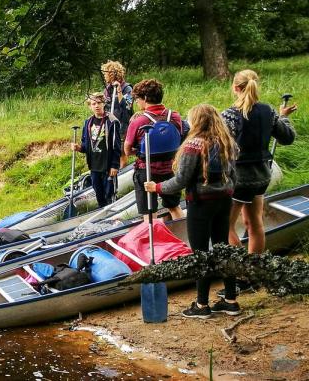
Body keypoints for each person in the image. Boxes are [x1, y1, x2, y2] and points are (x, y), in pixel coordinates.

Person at [145, 104, 240, 318]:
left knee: (200, 253)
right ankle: (231, 301)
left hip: (201, 203)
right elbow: (234, 176)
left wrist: (156, 187)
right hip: (224, 200)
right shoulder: (227, 142)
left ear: (196, 121)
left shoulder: (193, 145)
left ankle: (201, 305)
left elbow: (181, 180)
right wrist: (227, 191)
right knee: (223, 247)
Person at [220, 69, 296, 295]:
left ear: (235, 87)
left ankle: (242, 275)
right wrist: (282, 116)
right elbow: (287, 138)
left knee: (225, 226)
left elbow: (222, 148)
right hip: (262, 175)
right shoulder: (269, 112)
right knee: (254, 224)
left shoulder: (229, 115)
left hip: (239, 177)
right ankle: (253, 275)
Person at [124, 78, 184, 221]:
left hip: (146, 172)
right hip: (171, 170)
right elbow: (178, 139)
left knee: (149, 213)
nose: (137, 102)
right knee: (174, 206)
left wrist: (138, 152)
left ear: (145, 98)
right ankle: (183, 236)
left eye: (137, 99)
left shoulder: (139, 121)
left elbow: (127, 149)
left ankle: (154, 241)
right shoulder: (175, 116)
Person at [70, 92, 121, 207]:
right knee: (99, 194)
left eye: (99, 103)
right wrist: (78, 148)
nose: (96, 106)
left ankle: (112, 216)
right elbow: (85, 145)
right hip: (94, 166)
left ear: (104, 103)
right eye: (93, 104)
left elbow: (116, 145)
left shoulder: (112, 121)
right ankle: (102, 217)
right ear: (90, 106)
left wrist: (114, 165)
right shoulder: (88, 122)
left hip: (107, 166)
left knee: (110, 194)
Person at [102, 60, 134, 168]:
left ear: (112, 74)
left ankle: (122, 171)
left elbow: (128, 107)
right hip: (110, 124)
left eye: (106, 74)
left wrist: (119, 91)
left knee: (121, 152)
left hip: (122, 124)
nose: (104, 76)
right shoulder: (107, 90)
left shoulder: (127, 88)